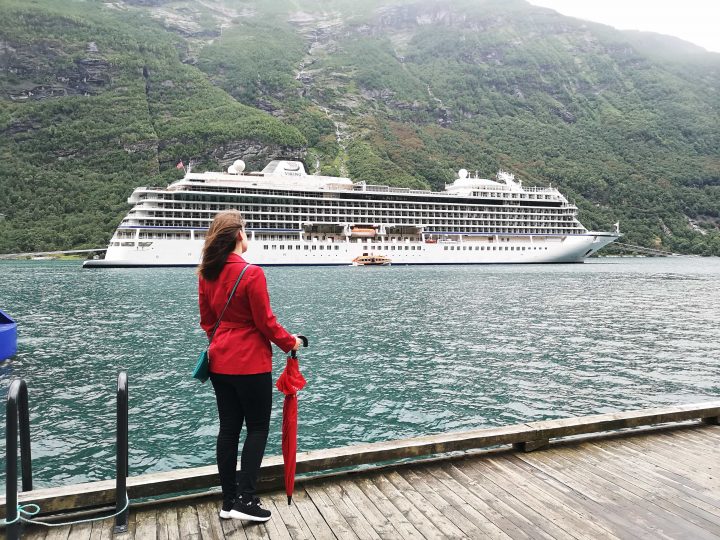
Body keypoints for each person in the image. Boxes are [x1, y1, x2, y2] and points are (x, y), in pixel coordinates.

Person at [198, 210, 302, 522]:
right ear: (239, 236)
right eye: (245, 230)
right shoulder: (251, 273)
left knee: (228, 429)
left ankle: (229, 500)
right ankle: (247, 499)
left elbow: (207, 322)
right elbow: (266, 323)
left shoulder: (206, 274)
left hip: (219, 362)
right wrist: (291, 343)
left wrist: (224, 340)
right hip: (251, 364)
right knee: (257, 428)